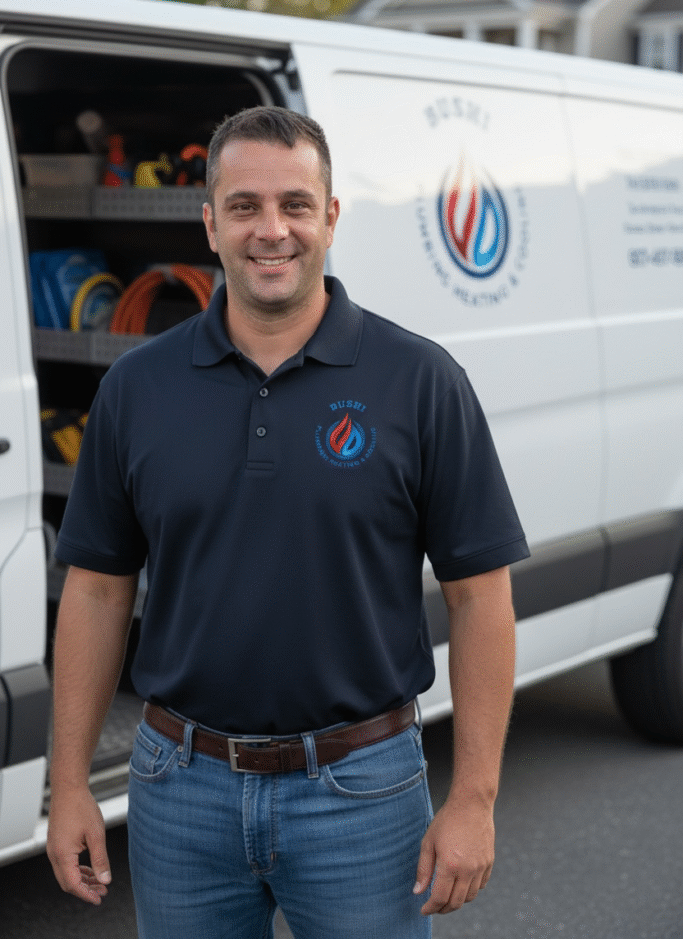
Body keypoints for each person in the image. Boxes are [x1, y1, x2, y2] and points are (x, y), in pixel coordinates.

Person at [47, 106, 529, 938]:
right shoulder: (136, 388)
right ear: (210, 224)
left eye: (295, 205)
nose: (271, 230)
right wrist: (69, 785)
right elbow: (95, 590)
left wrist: (474, 799)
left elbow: (480, 596)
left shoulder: (419, 381)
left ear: (330, 218)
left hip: (362, 791)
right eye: (244, 206)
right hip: (178, 790)